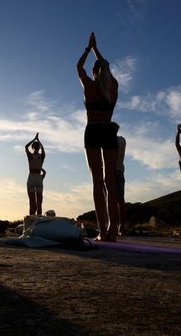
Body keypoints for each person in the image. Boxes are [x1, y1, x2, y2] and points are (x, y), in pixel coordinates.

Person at [77, 32, 119, 242]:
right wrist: (96, 51)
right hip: (109, 130)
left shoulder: (90, 86)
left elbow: (79, 68)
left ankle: (103, 231)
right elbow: (103, 68)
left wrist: (88, 48)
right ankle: (112, 231)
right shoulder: (113, 87)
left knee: (97, 182)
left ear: (94, 72)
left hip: (93, 130)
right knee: (110, 182)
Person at [25, 133, 45, 216]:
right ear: (39, 148)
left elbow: (26, 147)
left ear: (32, 147)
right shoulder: (42, 156)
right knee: (39, 203)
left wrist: (34, 139)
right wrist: (38, 141)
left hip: (32, 177)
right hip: (38, 178)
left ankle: (31, 221)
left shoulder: (30, 156)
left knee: (32, 202)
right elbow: (43, 149)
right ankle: (39, 221)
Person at [116, 135, 127, 235]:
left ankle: (111, 226)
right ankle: (121, 227)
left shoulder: (109, 140)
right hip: (119, 171)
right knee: (120, 200)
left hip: (111, 171)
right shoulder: (122, 140)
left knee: (109, 200)